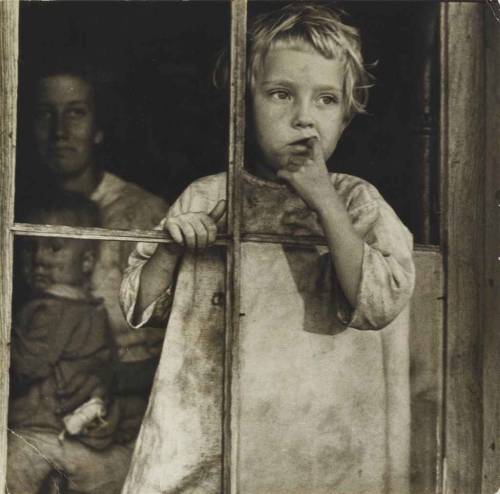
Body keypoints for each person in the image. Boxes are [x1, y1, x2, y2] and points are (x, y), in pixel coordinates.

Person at [120, 4, 416, 493]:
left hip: (309, 436)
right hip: (207, 426)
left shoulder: (356, 201)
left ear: (347, 114)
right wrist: (172, 249)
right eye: (281, 94)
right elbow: (137, 303)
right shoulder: (207, 196)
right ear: (243, 102)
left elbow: (380, 302)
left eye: (325, 100)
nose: (304, 119)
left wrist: (324, 202)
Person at [29, 62, 168, 432]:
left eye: (76, 113)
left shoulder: (143, 214)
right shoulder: (19, 212)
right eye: (45, 114)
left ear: (99, 129)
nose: (60, 131)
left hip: (125, 415)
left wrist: (110, 385)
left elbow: (176, 346)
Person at [7, 192, 131, 494]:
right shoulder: (93, 310)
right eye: (30, 246)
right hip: (82, 442)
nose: (38, 258)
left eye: (54, 247)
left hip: (38, 440)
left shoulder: (47, 309)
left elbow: (22, 367)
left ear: (88, 260)